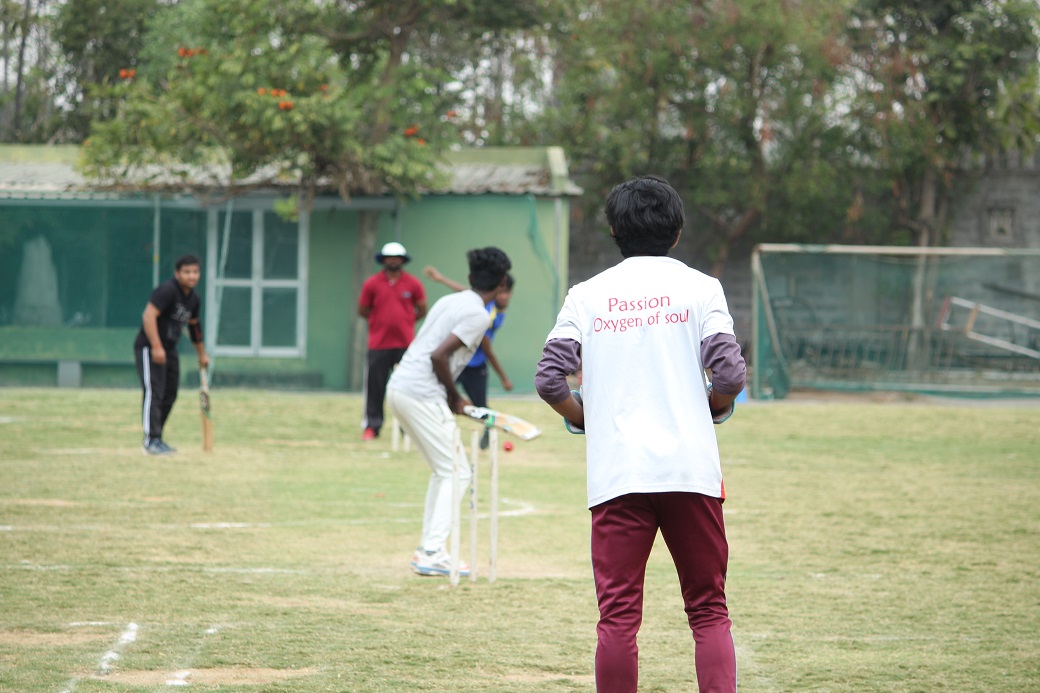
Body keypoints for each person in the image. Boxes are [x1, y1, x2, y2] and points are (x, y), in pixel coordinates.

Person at [534, 176, 745, 693]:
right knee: (708, 610)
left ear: (613, 230)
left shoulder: (586, 295)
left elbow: (548, 377)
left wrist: (584, 418)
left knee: (618, 618)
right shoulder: (702, 288)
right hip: (690, 473)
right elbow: (731, 377)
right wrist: (711, 410)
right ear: (676, 232)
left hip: (617, 474)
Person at [387, 247, 512, 577]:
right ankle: (431, 551)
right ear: (501, 284)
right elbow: (439, 357)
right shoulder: (476, 315)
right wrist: (455, 398)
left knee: (445, 471)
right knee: (458, 473)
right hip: (422, 393)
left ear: (470, 278)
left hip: (400, 387)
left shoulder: (449, 302)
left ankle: (427, 548)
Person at [423, 264, 514, 447]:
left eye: (507, 293)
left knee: (480, 406)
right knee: (438, 397)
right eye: (501, 293)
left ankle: (488, 433)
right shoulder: (485, 310)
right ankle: (421, 422)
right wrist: (504, 378)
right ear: (495, 290)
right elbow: (488, 349)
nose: (504, 297)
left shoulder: (497, 312)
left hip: (476, 366)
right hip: (457, 364)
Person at [134, 254, 210, 455]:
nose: (191, 276)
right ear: (177, 274)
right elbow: (148, 316)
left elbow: (195, 328)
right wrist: (156, 347)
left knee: (170, 393)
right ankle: (151, 441)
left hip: (169, 348)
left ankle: (157, 437)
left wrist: (201, 354)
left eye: (195, 272)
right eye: (187, 272)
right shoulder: (167, 291)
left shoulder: (194, 299)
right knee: (154, 391)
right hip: (149, 347)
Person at [358, 241, 428, 440]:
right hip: (379, 343)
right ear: (383, 260)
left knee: (408, 387)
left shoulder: (413, 283)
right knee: (375, 386)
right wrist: (378, 321)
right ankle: (372, 426)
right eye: (389, 258)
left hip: (405, 343)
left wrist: (405, 321)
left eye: (397, 258)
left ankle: (408, 428)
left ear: (403, 261)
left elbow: (422, 309)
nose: (393, 261)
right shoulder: (372, 283)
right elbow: (362, 309)